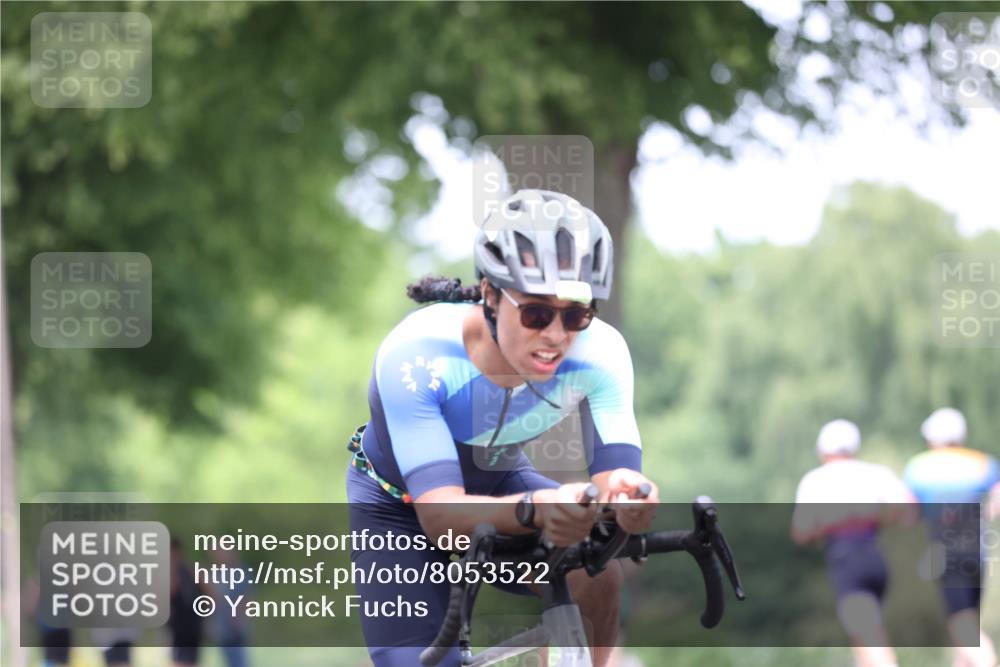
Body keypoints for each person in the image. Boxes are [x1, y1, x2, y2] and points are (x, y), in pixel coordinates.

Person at [345, 189, 659, 667]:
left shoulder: (601, 352)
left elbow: (614, 476)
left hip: (500, 481)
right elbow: (440, 517)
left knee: (597, 573)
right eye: (536, 313)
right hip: (398, 507)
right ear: (491, 296)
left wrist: (629, 498)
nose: (556, 335)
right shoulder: (417, 354)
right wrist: (539, 506)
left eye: (576, 313)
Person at [791, 419, 915, 667]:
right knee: (862, 636)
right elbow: (909, 508)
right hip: (874, 557)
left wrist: (830, 526)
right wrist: (876, 520)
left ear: (822, 450)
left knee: (869, 637)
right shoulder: (875, 473)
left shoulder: (815, 480)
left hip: (846, 560)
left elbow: (800, 532)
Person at [904, 407, 1000, 667]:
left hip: (946, 549)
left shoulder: (919, 466)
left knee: (960, 621)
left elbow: (908, 514)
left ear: (934, 439)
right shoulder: (982, 462)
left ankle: (987, 660)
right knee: (969, 620)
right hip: (978, 548)